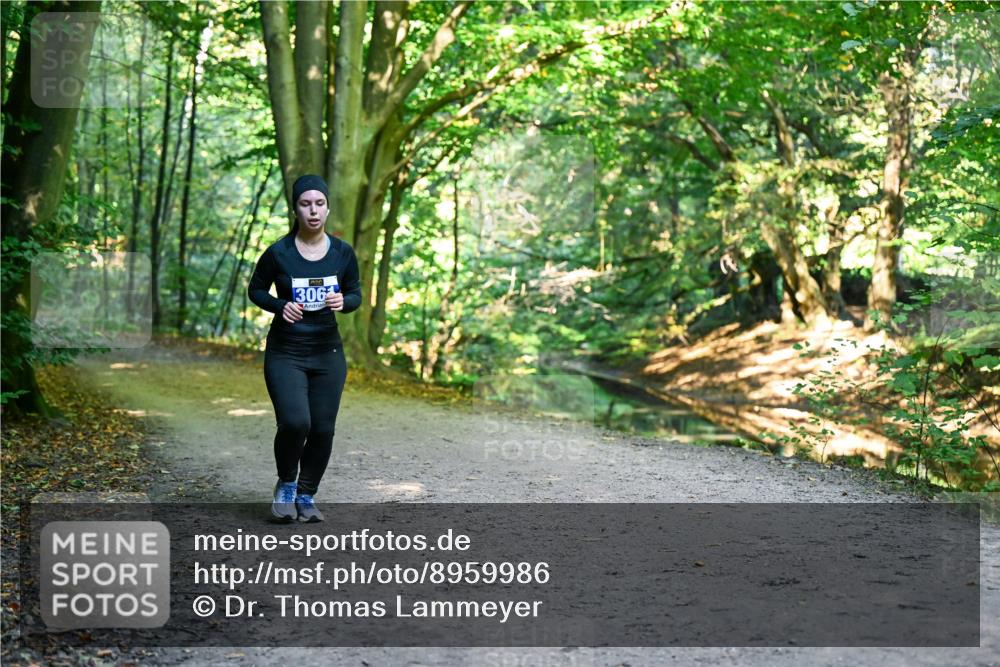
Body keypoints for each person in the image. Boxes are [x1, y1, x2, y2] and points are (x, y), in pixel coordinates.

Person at [247, 174, 361, 522]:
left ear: (327, 208)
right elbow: (256, 290)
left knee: (323, 428)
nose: (313, 211)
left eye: (319, 203)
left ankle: (307, 494)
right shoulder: (278, 253)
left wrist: (345, 300)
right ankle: (286, 484)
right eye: (305, 204)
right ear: (295, 209)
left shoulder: (342, 253)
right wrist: (280, 306)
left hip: (327, 353)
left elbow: (356, 293)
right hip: (286, 352)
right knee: (296, 422)